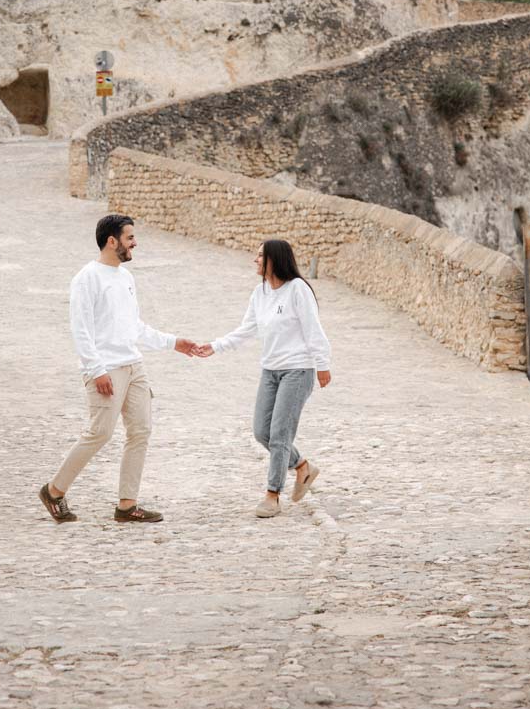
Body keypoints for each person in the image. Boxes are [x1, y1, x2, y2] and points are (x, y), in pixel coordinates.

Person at [39, 213, 196, 524]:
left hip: (134, 365)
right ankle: (54, 491)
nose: (134, 243)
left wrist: (173, 342)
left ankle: (127, 505)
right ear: (112, 242)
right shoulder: (87, 278)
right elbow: (80, 329)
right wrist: (96, 370)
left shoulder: (126, 278)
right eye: (129, 238)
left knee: (141, 431)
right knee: (100, 432)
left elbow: (133, 327)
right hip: (105, 369)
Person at [198, 239, 331, 518]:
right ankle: (302, 466)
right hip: (270, 371)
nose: (255, 260)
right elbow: (247, 329)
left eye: (260, 256)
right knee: (262, 431)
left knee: (280, 433)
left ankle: (273, 494)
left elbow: (313, 329)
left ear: (275, 259)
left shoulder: (298, 290)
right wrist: (215, 346)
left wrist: (322, 365)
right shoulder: (259, 294)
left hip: (298, 369)